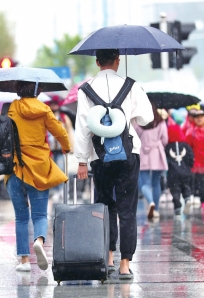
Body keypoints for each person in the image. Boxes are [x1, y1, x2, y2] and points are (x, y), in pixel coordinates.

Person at [75, 49, 153, 279]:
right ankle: (125, 264)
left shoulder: (85, 90)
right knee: (127, 209)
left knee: (105, 206)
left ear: (97, 61)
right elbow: (146, 118)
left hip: (100, 157)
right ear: (118, 61)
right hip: (128, 155)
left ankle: (108, 256)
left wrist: (81, 160)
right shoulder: (132, 85)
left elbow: (82, 127)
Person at [5, 82, 71, 272]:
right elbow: (59, 131)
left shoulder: (11, 109)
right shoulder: (44, 110)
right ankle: (39, 241)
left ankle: (24, 260)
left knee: (21, 217)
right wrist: (66, 147)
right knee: (40, 214)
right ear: (38, 91)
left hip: (16, 168)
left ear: (17, 90)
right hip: (39, 168)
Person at [134, 103, 168, 219]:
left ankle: (150, 201)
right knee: (156, 182)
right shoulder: (160, 122)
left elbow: (134, 138)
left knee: (144, 183)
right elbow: (165, 139)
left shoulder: (138, 123)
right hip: (157, 154)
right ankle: (156, 209)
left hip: (143, 153)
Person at [46, 96, 74, 201]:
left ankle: (62, 190)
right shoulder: (47, 117)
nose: (54, 106)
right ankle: (56, 190)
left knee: (62, 169)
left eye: (56, 104)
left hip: (61, 148)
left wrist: (71, 146)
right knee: (51, 171)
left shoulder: (63, 117)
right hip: (49, 148)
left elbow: (69, 131)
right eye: (52, 104)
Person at [165, 124, 194, 215]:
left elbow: (166, 160)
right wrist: (189, 167)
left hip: (173, 173)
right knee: (186, 186)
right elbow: (191, 157)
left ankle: (177, 206)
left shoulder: (168, 147)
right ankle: (187, 199)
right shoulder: (186, 145)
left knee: (175, 189)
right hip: (185, 171)